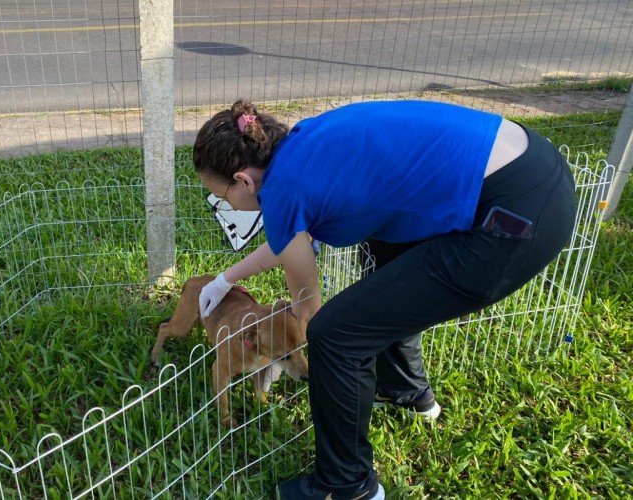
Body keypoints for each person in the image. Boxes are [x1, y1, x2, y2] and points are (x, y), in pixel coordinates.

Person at [193, 99, 577, 499]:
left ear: (243, 180)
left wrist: (311, 361)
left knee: (336, 335)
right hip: (536, 168)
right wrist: (225, 279)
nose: (228, 204)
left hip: (511, 220)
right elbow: (287, 239)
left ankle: (348, 486)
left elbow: (307, 308)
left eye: (222, 196)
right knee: (384, 260)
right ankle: (406, 391)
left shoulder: (282, 191)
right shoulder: (299, 145)